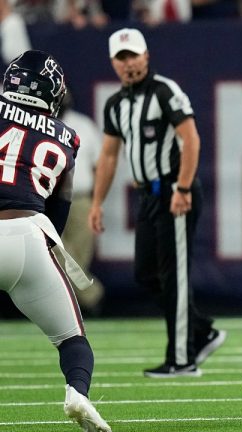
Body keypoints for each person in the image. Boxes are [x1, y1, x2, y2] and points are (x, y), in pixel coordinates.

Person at [88, 28, 226, 378]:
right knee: (146, 275)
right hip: (147, 195)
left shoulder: (165, 91)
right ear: (113, 64)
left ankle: (182, 359)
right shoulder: (116, 104)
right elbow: (107, 156)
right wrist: (96, 202)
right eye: (121, 58)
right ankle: (201, 331)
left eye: (133, 55)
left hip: (172, 189)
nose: (129, 63)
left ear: (146, 56)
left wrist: (182, 189)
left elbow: (191, 140)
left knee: (174, 275)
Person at [0, 50, 111, 431]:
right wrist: (49, 250)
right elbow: (58, 208)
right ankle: (77, 394)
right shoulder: (68, 136)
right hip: (29, 234)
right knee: (73, 342)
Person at [60, 92, 105, 315]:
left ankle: (69, 310)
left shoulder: (83, 125)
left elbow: (100, 165)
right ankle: (92, 296)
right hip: (45, 201)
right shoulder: (34, 123)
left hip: (80, 200)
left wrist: (97, 202)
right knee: (56, 256)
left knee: (78, 259)